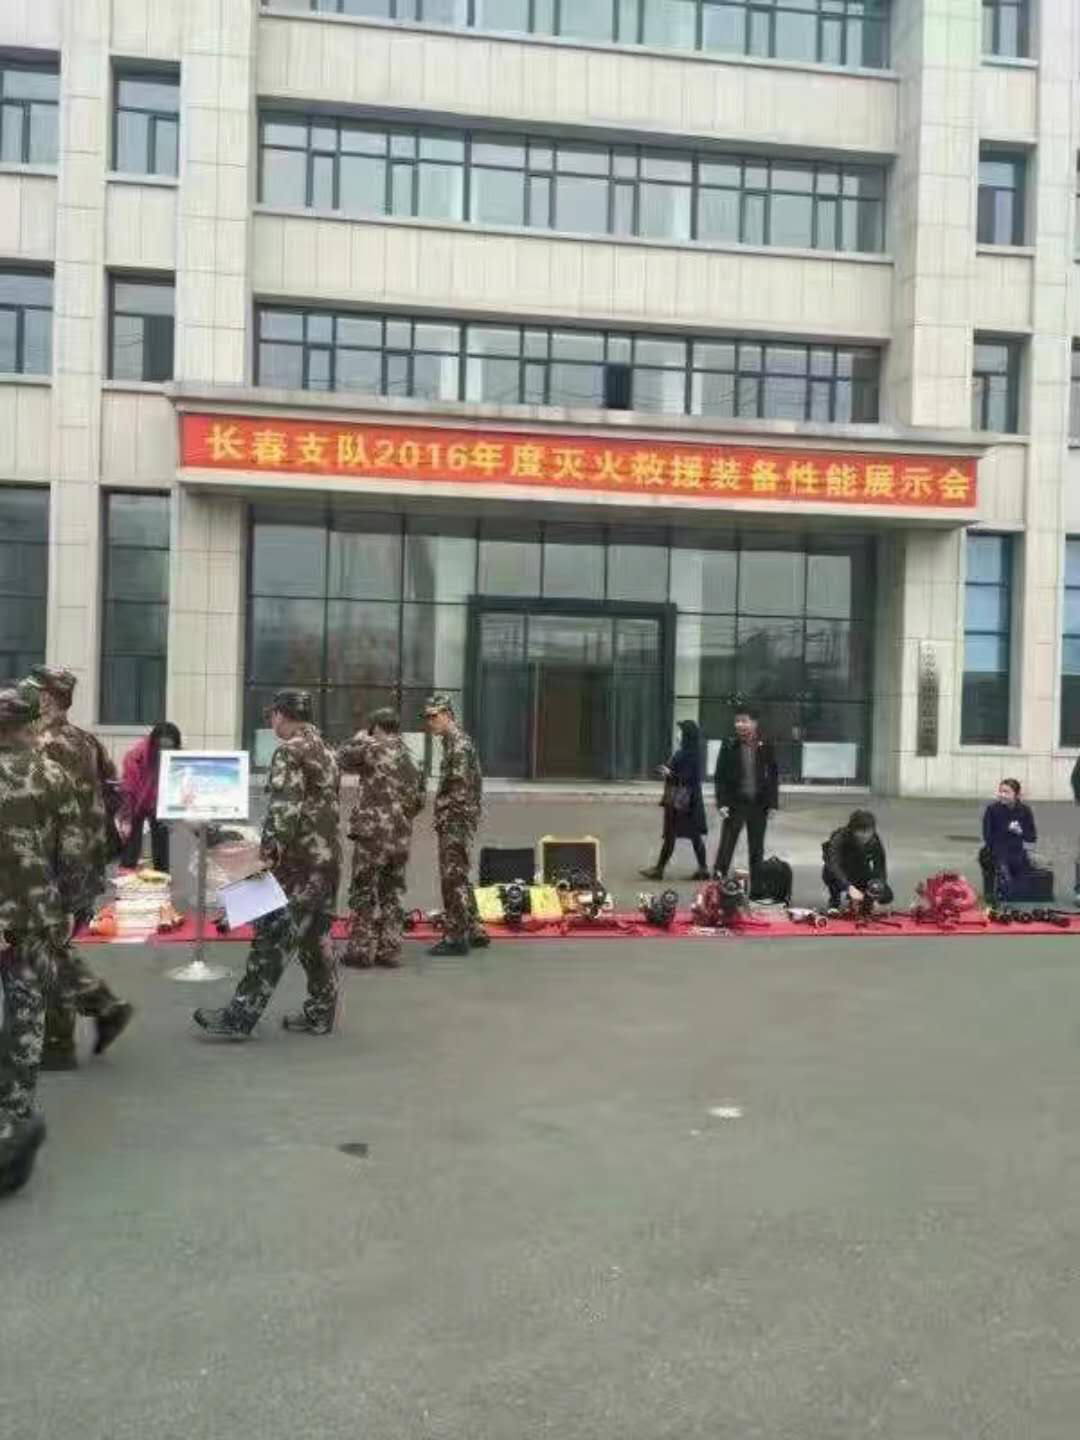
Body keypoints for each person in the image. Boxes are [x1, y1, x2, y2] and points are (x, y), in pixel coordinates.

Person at [195, 690, 341, 1039]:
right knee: (315, 940)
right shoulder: (327, 751)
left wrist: (263, 866)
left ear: (281, 714)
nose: (272, 722)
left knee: (272, 940)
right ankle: (321, 1013)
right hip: (327, 862)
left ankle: (238, 1018)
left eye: (272, 715)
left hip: (298, 866)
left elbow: (284, 814)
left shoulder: (290, 752)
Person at [21, 666, 134, 1071]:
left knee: (44, 947)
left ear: (47, 698)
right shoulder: (86, 741)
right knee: (50, 944)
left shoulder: (46, 744)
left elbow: (44, 807)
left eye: (33, 692)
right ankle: (74, 1029)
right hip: (82, 859)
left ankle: (89, 1018)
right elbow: (111, 788)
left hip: (56, 862)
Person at [0, 688, 83, 1196]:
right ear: (32, 723)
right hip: (35, 912)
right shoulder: (53, 775)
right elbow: (73, 849)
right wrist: (70, 905)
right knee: (26, 1015)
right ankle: (15, 1118)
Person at [338, 708, 425, 970]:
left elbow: (340, 758)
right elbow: (420, 800)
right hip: (400, 836)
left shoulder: (371, 749)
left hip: (371, 836)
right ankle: (390, 949)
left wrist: (358, 739)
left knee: (364, 890)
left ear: (375, 727)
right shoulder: (413, 757)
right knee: (393, 892)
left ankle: (360, 950)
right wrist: (400, 818)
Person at [423, 694, 488, 958]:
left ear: (448, 715)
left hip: (456, 820)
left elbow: (459, 788)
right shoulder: (455, 741)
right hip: (459, 818)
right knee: (459, 873)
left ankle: (456, 937)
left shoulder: (458, 745)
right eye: (428, 717)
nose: (430, 722)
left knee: (452, 877)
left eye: (434, 716)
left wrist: (447, 818)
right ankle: (473, 927)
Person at [712, 707, 779, 879]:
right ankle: (718, 880)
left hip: (758, 804)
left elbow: (773, 775)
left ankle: (757, 884)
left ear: (754, 723)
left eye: (744, 721)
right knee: (726, 845)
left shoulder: (765, 745)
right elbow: (720, 776)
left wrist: (773, 804)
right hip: (735, 804)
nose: (739, 725)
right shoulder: (729, 745)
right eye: (737, 721)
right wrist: (721, 803)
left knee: (756, 847)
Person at [640, 719, 709, 881]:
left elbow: (685, 778)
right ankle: (702, 869)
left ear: (686, 735)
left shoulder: (689, 754)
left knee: (674, 834)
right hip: (686, 800)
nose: (678, 734)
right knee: (691, 835)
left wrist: (668, 773)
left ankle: (659, 870)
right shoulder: (688, 751)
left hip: (682, 801)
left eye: (681, 731)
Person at [117, 722, 181, 871]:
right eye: (162, 746)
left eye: (169, 747)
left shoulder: (176, 757)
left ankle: (162, 872)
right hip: (136, 799)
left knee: (161, 839)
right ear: (154, 743)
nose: (165, 751)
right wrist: (127, 816)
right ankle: (127, 871)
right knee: (132, 841)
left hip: (158, 802)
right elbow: (129, 787)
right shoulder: (136, 756)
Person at [822, 809, 893, 910]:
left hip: (860, 871)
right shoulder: (840, 838)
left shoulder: (874, 839)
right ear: (852, 830)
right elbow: (833, 864)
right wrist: (848, 887)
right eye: (860, 831)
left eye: (868, 831)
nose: (865, 835)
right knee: (831, 874)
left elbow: (880, 865)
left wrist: (877, 888)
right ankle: (835, 898)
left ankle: (860, 899)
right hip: (840, 872)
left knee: (886, 896)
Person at [979, 778, 1037, 901]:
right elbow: (987, 836)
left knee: (1020, 891)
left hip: (1017, 851)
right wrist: (1005, 831)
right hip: (997, 850)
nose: (1002, 795)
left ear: (1017, 795)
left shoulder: (1025, 810)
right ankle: (994, 889)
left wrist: (1020, 831)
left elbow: (1032, 837)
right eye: (1000, 791)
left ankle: (1008, 884)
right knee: (998, 864)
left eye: (1006, 792)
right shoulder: (992, 809)